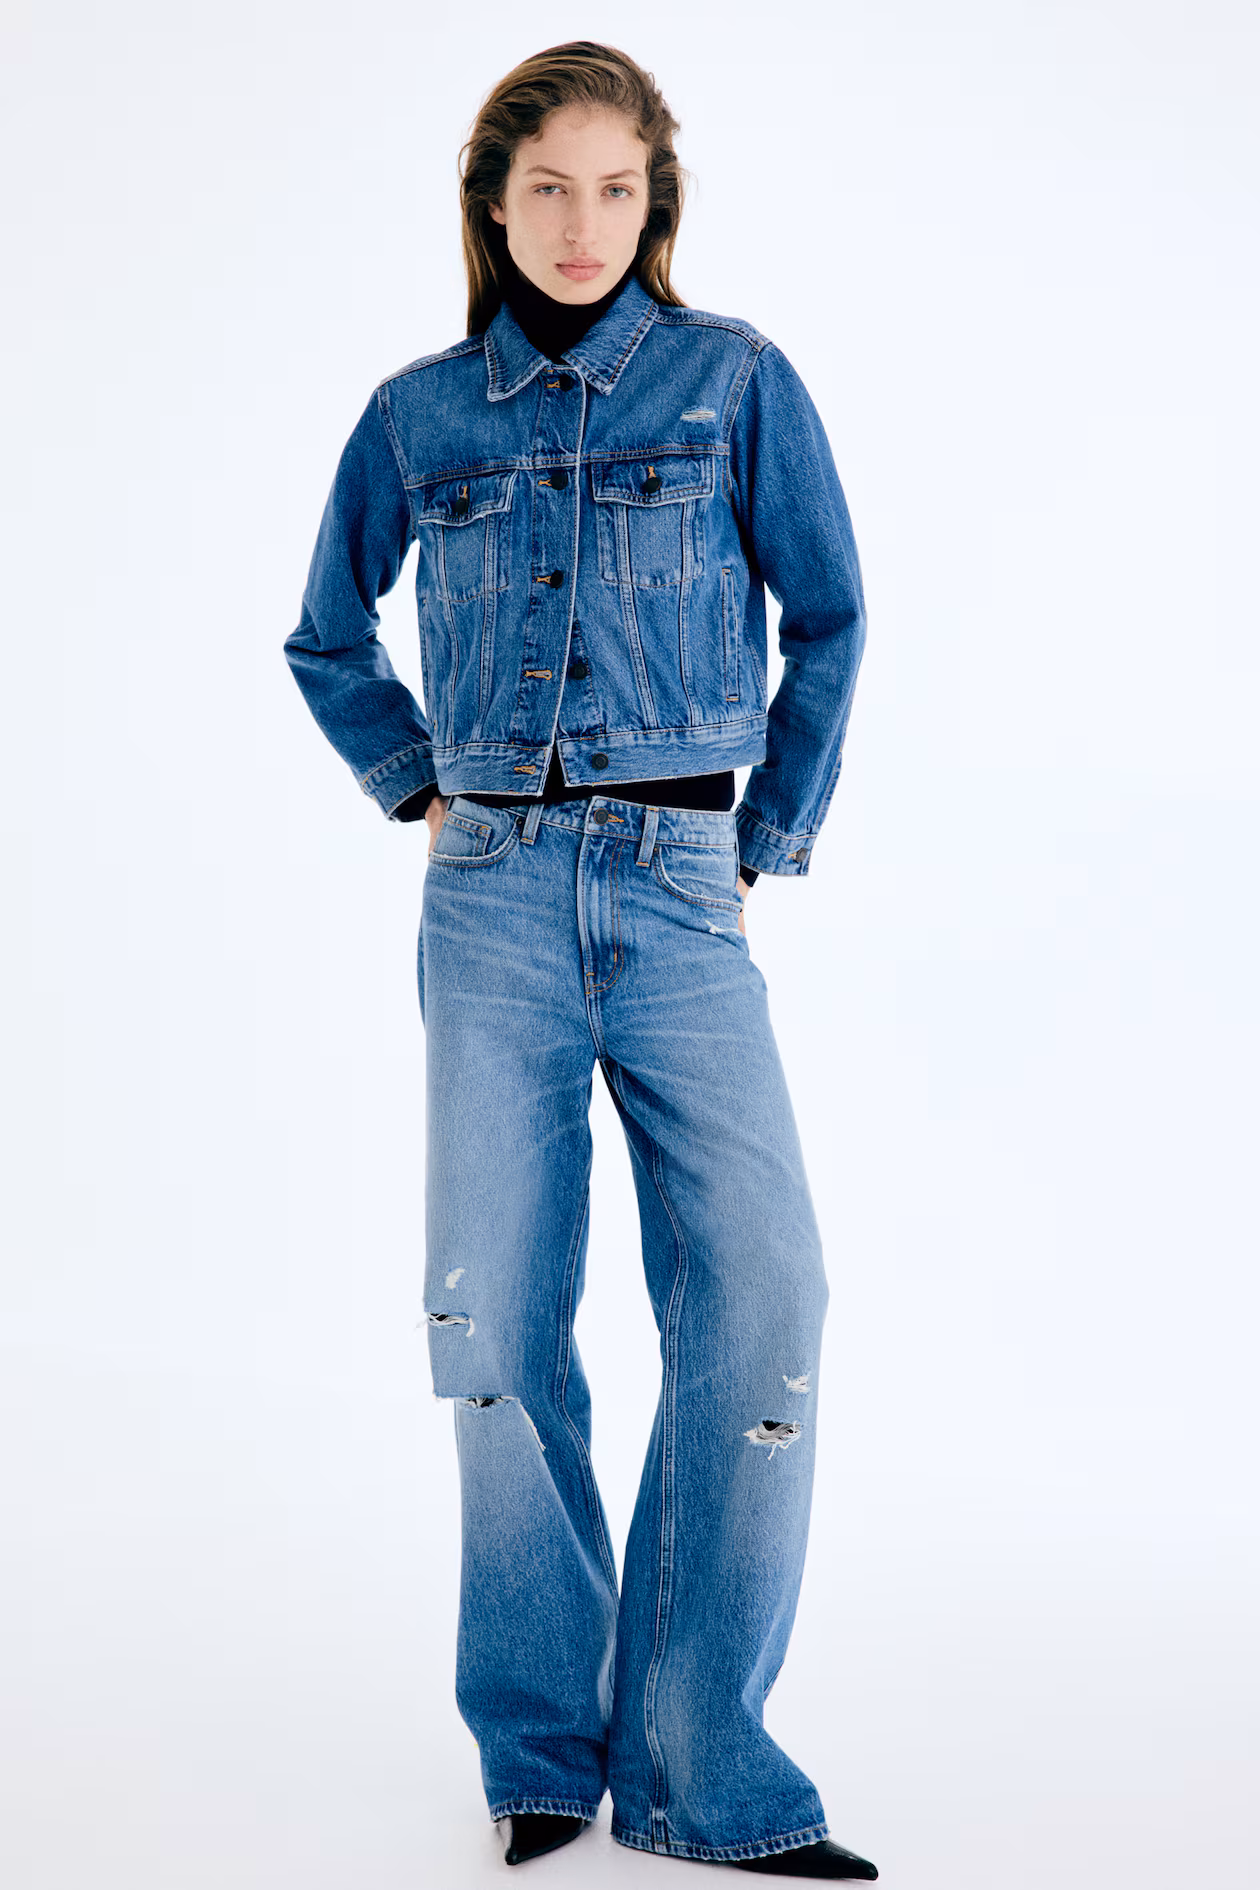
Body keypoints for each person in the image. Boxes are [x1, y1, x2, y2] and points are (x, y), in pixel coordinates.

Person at [285, 40, 873, 1880]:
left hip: (685, 892)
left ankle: (702, 1761)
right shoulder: (415, 418)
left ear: (656, 203)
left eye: (618, 189)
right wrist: (416, 784)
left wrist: (762, 839)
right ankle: (539, 1749)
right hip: (493, 900)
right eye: (548, 187)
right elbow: (324, 635)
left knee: (765, 1292)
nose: (581, 224)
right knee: (494, 1318)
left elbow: (833, 613)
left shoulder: (735, 381)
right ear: (493, 200)